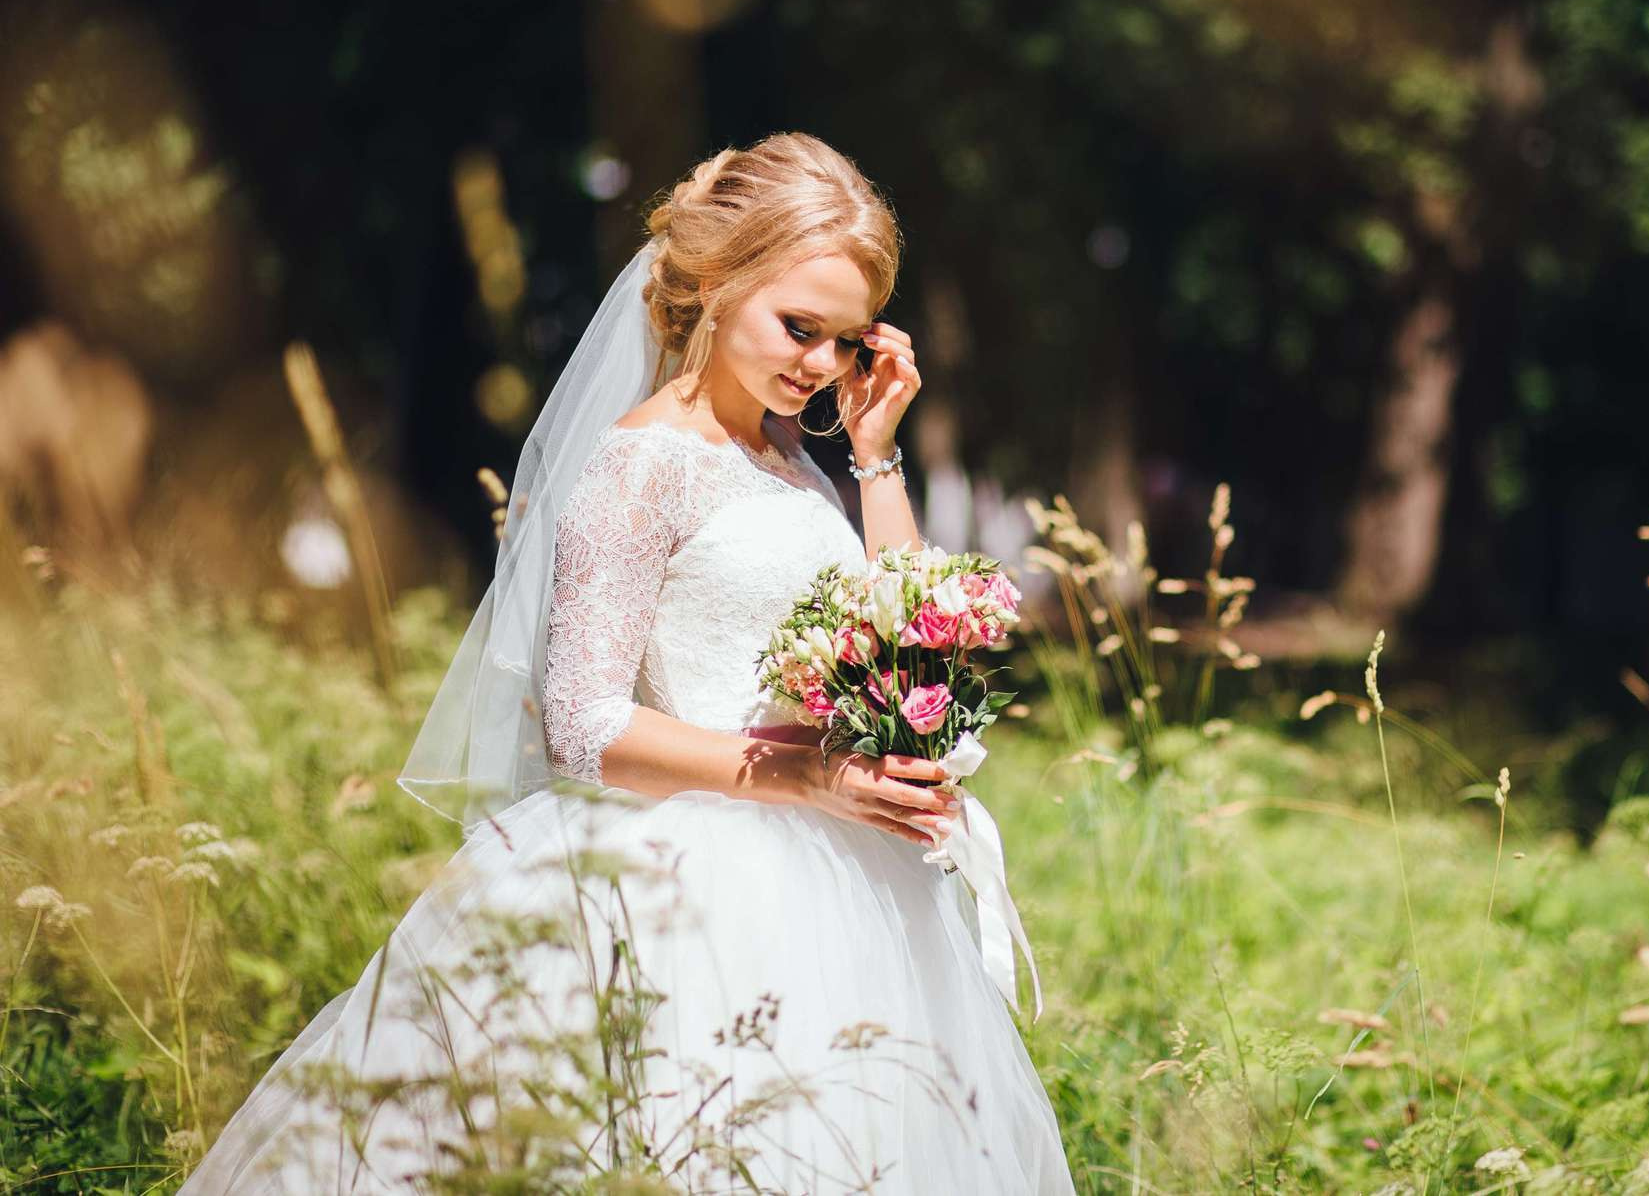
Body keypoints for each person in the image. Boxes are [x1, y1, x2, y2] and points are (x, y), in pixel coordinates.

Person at [181, 133, 1075, 1192]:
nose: (820, 365)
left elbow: (906, 634)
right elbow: (584, 723)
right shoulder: (643, 463)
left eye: (844, 341)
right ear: (713, 284)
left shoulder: (791, 462)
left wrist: (875, 451)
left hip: (845, 869)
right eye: (800, 328)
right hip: (688, 881)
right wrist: (809, 776)